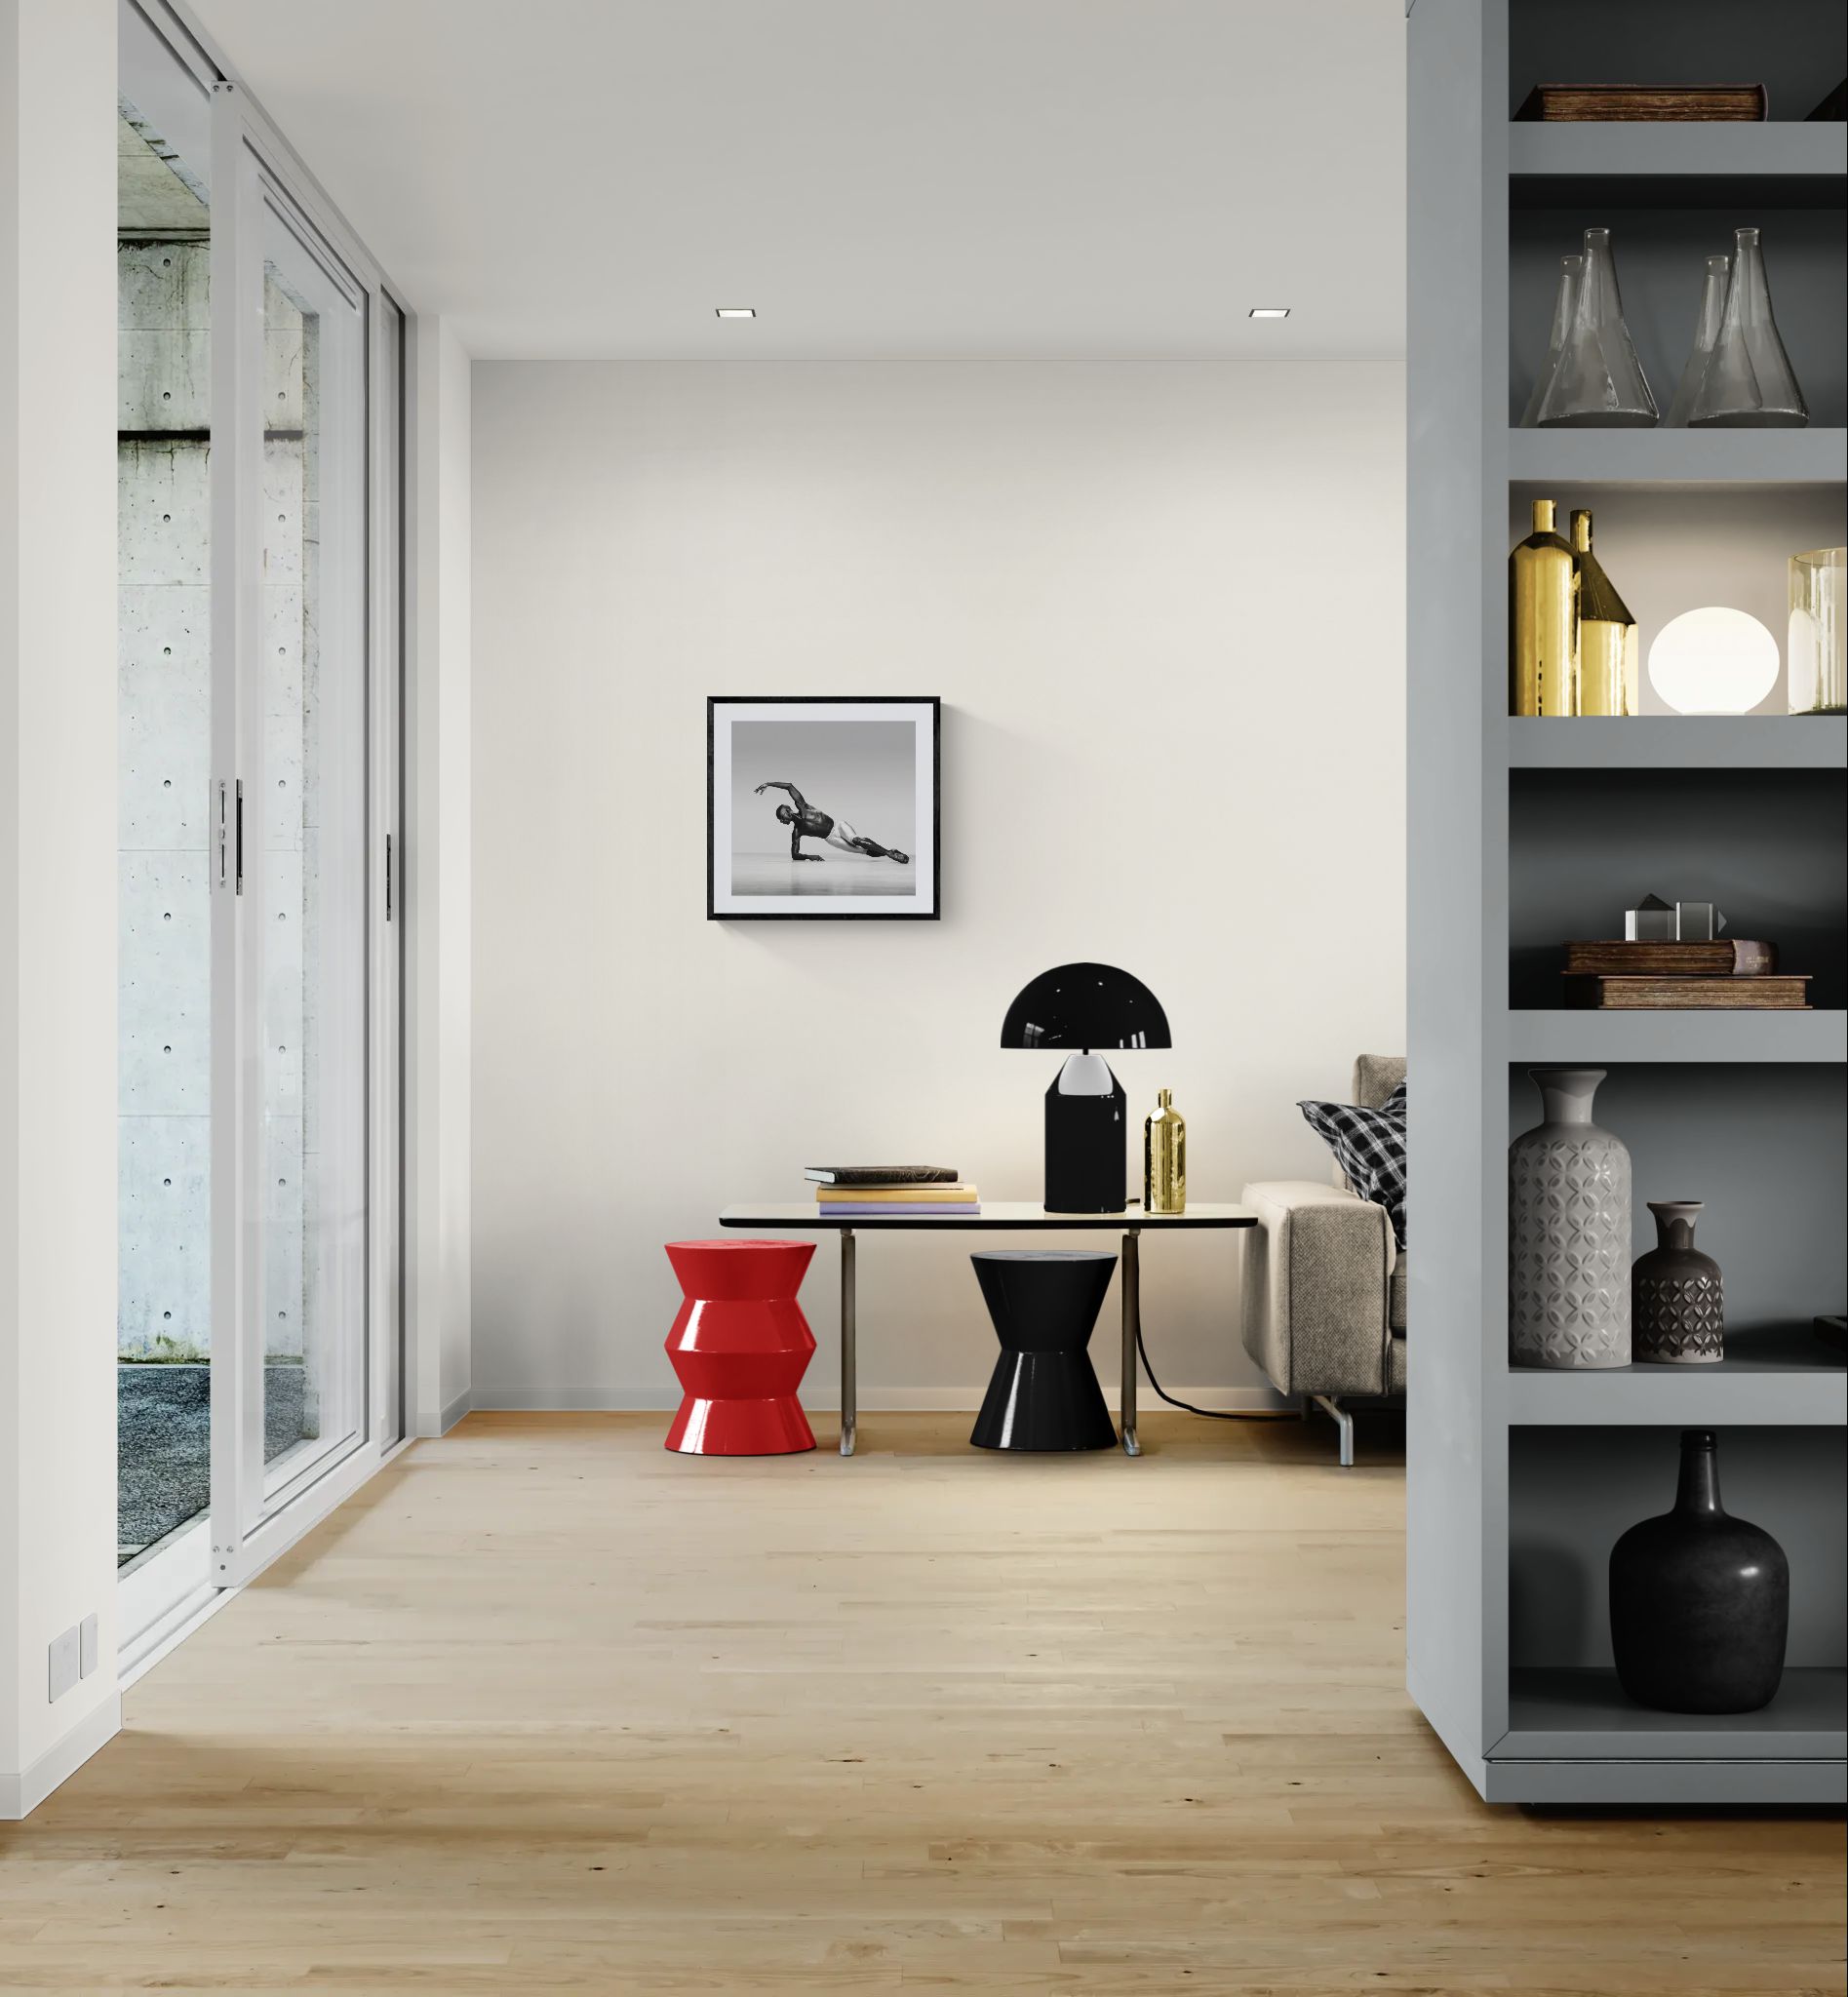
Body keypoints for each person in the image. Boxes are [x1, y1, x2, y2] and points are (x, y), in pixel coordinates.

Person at [753, 780, 910, 865]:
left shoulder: (802, 806)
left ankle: (890, 854)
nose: (785, 817)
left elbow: (789, 786)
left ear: (788, 808)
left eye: (785, 812)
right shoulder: (797, 831)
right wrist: (810, 856)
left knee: (856, 840)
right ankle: (889, 850)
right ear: (783, 821)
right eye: (783, 817)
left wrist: (768, 783)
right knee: (862, 852)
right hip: (831, 839)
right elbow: (794, 855)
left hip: (838, 827)